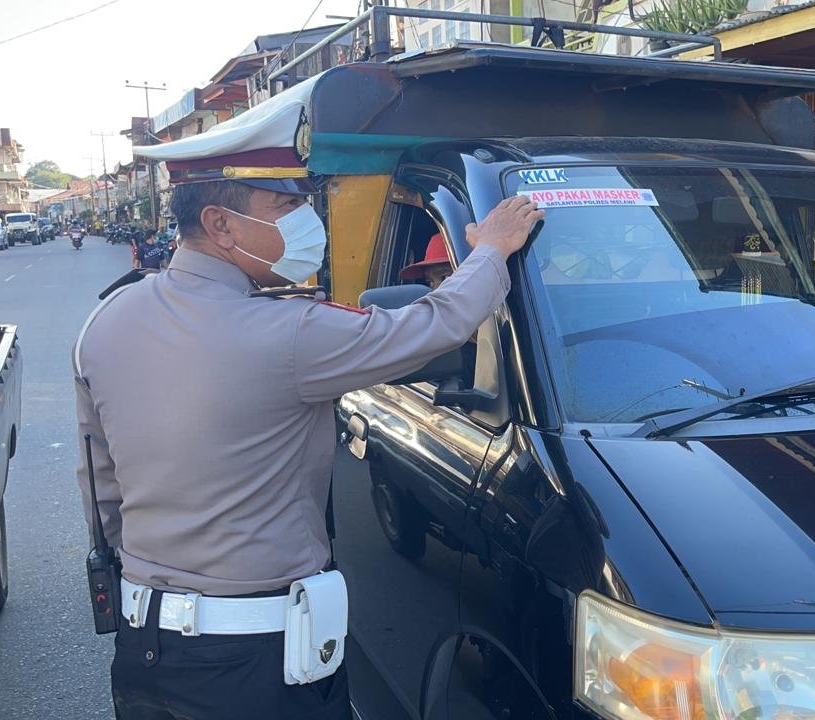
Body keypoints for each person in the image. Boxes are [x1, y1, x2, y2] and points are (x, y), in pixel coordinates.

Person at [73, 132, 542, 718]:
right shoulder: (290, 334)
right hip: (255, 662)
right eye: (286, 205)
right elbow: (435, 326)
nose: (307, 221)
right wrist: (491, 250)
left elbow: (101, 491)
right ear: (220, 224)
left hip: (143, 646)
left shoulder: (107, 319)